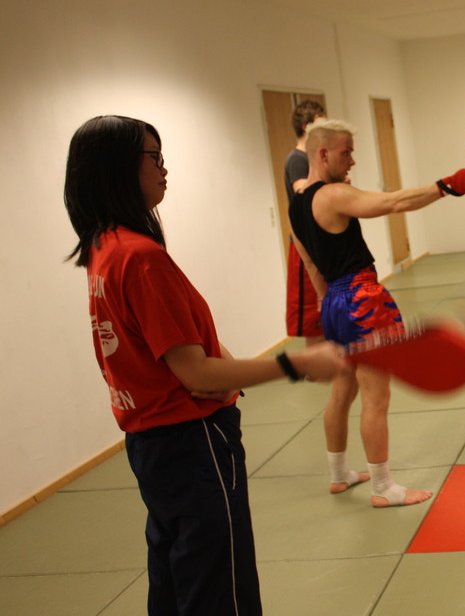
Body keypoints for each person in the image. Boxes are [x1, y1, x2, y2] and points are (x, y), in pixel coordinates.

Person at [64, 115, 346, 614]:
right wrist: (297, 363)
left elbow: (174, 349)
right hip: (193, 444)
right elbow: (196, 374)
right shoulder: (141, 258)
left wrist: (230, 370)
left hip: (150, 446)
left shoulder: (103, 248)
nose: (164, 168)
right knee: (220, 589)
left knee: (176, 580)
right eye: (154, 157)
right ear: (120, 168)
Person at [289, 119, 465, 506]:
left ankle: (339, 473)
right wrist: (445, 186)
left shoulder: (295, 205)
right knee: (377, 398)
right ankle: (383, 488)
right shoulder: (333, 194)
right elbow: (393, 202)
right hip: (362, 298)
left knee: (343, 390)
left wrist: (332, 306)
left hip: (334, 302)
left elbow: (311, 266)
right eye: (347, 152)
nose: (352, 160)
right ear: (323, 154)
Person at [284, 99, 327, 342]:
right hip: (304, 246)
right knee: (313, 316)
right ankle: (316, 365)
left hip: (318, 243)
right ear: (304, 126)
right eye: (319, 125)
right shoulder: (297, 159)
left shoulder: (310, 158)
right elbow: (303, 191)